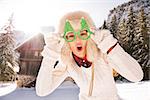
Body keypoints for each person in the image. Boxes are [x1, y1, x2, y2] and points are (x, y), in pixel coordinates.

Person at [36, 11, 143, 100]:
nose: (78, 40)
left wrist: (111, 46)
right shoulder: (67, 63)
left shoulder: (104, 53)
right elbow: (42, 91)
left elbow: (136, 76)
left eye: (83, 34)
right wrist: (50, 54)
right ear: (65, 41)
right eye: (71, 36)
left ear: (90, 36)